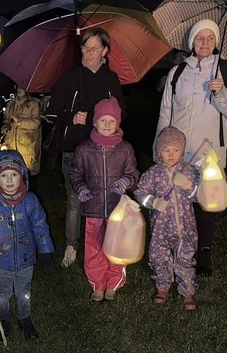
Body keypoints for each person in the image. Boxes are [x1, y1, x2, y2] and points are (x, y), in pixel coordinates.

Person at [154, 19, 227, 276]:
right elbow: (166, 113)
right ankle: (182, 248)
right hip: (179, 152)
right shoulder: (178, 72)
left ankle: (204, 251)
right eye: (199, 38)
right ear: (192, 42)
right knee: (182, 201)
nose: (205, 43)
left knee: (207, 202)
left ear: (216, 42)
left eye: (210, 38)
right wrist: (158, 147)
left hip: (211, 153)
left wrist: (222, 94)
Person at [45, 27, 126, 268]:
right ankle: (72, 245)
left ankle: (105, 243)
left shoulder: (110, 80)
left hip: (104, 152)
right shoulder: (70, 77)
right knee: (74, 199)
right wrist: (71, 117)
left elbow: (122, 112)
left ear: (105, 51)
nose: (88, 53)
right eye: (85, 48)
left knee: (104, 198)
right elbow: (50, 113)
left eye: (94, 49)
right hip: (73, 150)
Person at [0, 149, 54, 342]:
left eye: (14, 175)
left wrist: (45, 250)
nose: (9, 180)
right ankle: (4, 320)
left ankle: (24, 319)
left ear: (22, 176)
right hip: (0, 262)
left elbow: (40, 225)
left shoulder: (30, 201)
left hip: (26, 260)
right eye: (4, 176)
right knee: (2, 294)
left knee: (24, 292)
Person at [68, 97, 139, 301]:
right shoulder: (83, 149)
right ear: (94, 122)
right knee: (94, 247)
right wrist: (80, 188)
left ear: (118, 123)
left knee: (117, 248)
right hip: (93, 208)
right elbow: (75, 174)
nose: (107, 124)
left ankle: (114, 282)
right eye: (103, 120)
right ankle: (97, 283)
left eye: (112, 121)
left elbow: (133, 173)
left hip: (118, 210)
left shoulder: (126, 149)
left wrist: (126, 181)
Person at [134, 126, 200, 310]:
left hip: (184, 226)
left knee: (184, 256)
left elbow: (199, 195)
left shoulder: (190, 171)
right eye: (166, 150)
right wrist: (153, 202)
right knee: (159, 255)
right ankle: (162, 286)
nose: (171, 154)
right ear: (159, 151)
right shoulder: (152, 173)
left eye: (175, 150)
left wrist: (188, 185)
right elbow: (140, 193)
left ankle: (187, 291)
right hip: (160, 227)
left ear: (182, 151)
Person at [1, 85, 42, 190]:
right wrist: (5, 127)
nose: (19, 89)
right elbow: (6, 120)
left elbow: (35, 124)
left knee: (28, 176)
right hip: (11, 144)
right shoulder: (11, 104)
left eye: (22, 87)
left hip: (27, 146)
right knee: (14, 174)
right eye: (17, 86)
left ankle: (30, 201)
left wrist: (19, 120)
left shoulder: (33, 104)